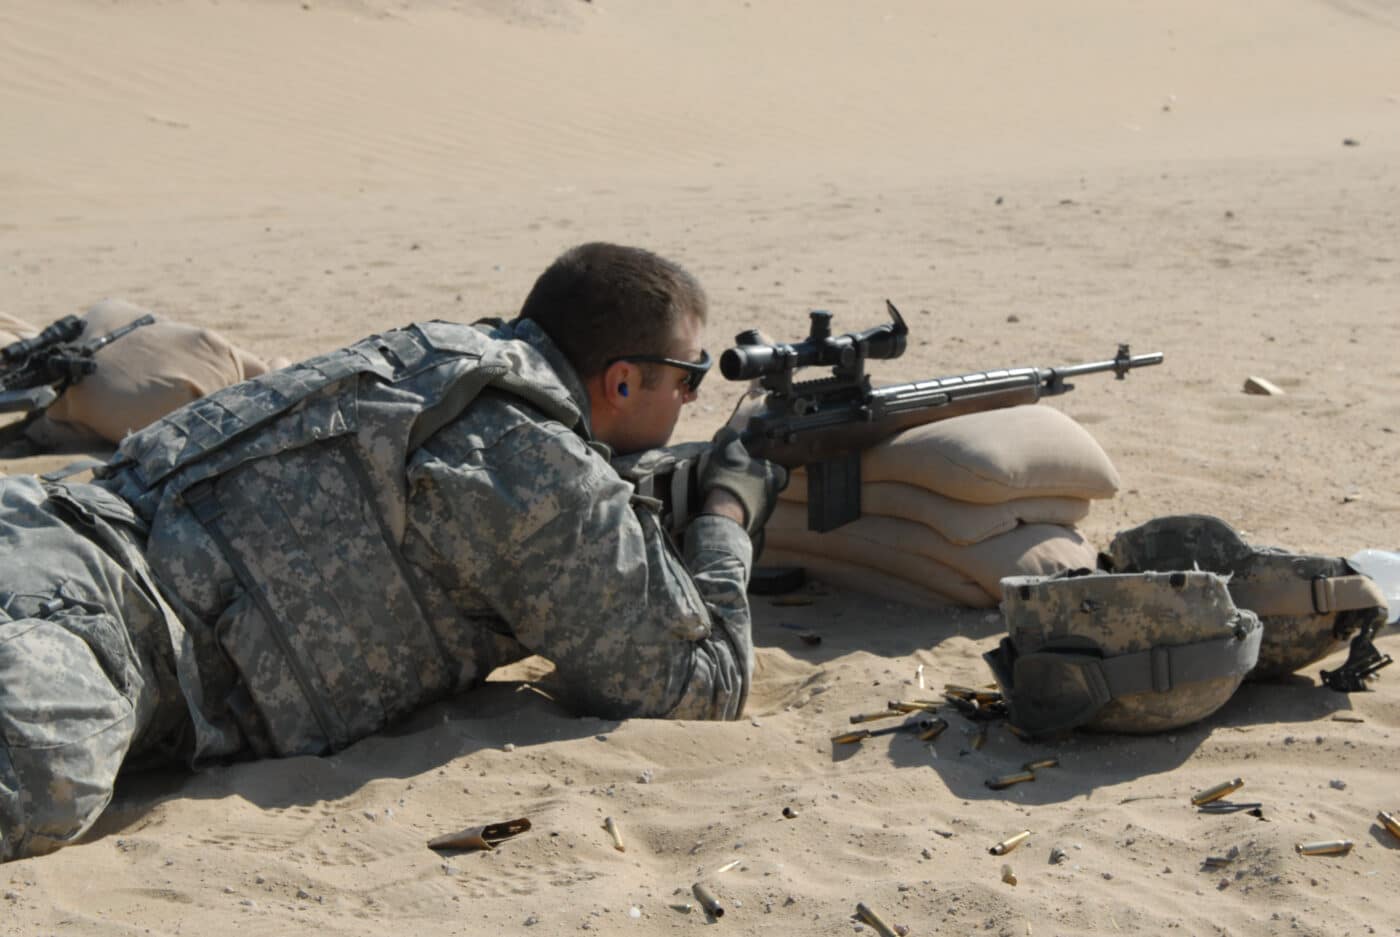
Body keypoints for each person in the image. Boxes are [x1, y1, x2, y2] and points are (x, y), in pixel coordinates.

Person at [0, 242, 787, 862]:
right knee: (39, 782)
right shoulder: (533, 463)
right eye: (687, 379)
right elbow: (700, 686)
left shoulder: (445, 355)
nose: (692, 401)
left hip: (43, 524)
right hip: (93, 625)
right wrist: (727, 509)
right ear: (620, 381)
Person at [0, 299, 287, 452]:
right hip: (111, 320)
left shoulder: (173, 405)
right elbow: (280, 371)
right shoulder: (214, 355)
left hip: (106, 361)